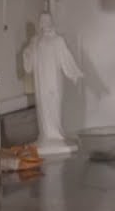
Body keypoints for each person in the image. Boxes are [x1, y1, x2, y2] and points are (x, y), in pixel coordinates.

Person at [22, 11, 83, 156]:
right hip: (40, 81)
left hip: (54, 81)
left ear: (51, 22)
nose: (44, 23)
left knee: (54, 106)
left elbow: (65, 58)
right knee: (42, 107)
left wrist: (74, 72)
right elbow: (29, 61)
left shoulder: (57, 40)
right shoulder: (35, 41)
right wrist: (27, 54)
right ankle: (46, 135)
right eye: (42, 20)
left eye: (47, 20)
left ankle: (56, 134)